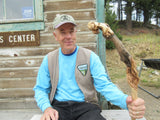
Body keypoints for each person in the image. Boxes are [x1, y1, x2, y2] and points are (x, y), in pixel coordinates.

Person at [33, 14, 145, 120]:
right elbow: (40, 89)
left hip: (86, 107)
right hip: (59, 108)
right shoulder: (49, 60)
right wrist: (47, 108)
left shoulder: (90, 57)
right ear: (55, 36)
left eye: (71, 31)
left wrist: (125, 101)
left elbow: (104, 86)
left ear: (76, 32)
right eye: (63, 32)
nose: (68, 36)